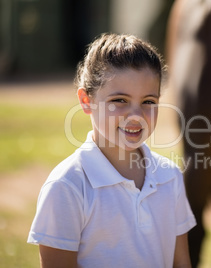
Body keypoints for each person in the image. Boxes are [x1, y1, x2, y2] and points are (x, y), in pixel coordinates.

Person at [27, 33, 196, 268]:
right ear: (86, 101)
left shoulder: (170, 177)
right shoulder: (67, 187)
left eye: (148, 101)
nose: (136, 116)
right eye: (120, 100)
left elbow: (181, 263)